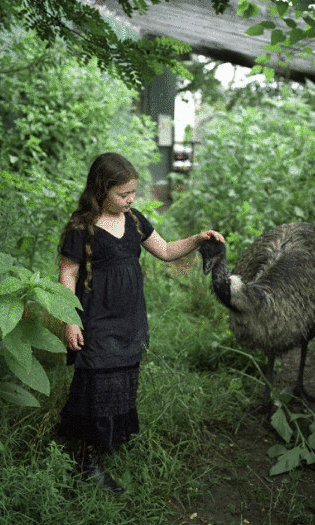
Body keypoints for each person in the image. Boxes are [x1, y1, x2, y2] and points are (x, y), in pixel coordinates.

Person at [57, 152, 224, 493]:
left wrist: (196, 240)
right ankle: (87, 461)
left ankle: (110, 440)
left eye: (133, 193)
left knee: (123, 378)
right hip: (97, 318)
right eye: (123, 194)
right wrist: (69, 319)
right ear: (101, 190)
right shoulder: (82, 228)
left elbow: (164, 250)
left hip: (129, 319)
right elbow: (68, 274)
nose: (130, 199)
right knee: (98, 384)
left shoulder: (133, 220)